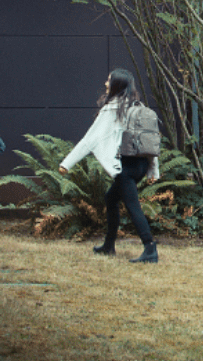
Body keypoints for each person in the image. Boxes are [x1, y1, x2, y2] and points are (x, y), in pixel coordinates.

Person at [59, 69, 162, 263]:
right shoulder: (136, 107)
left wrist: (67, 163)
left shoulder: (112, 109)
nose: (106, 83)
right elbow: (151, 141)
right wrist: (153, 169)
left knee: (133, 207)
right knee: (111, 198)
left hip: (124, 167)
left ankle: (150, 249)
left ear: (116, 85)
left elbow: (88, 140)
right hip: (140, 165)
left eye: (109, 80)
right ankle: (109, 245)